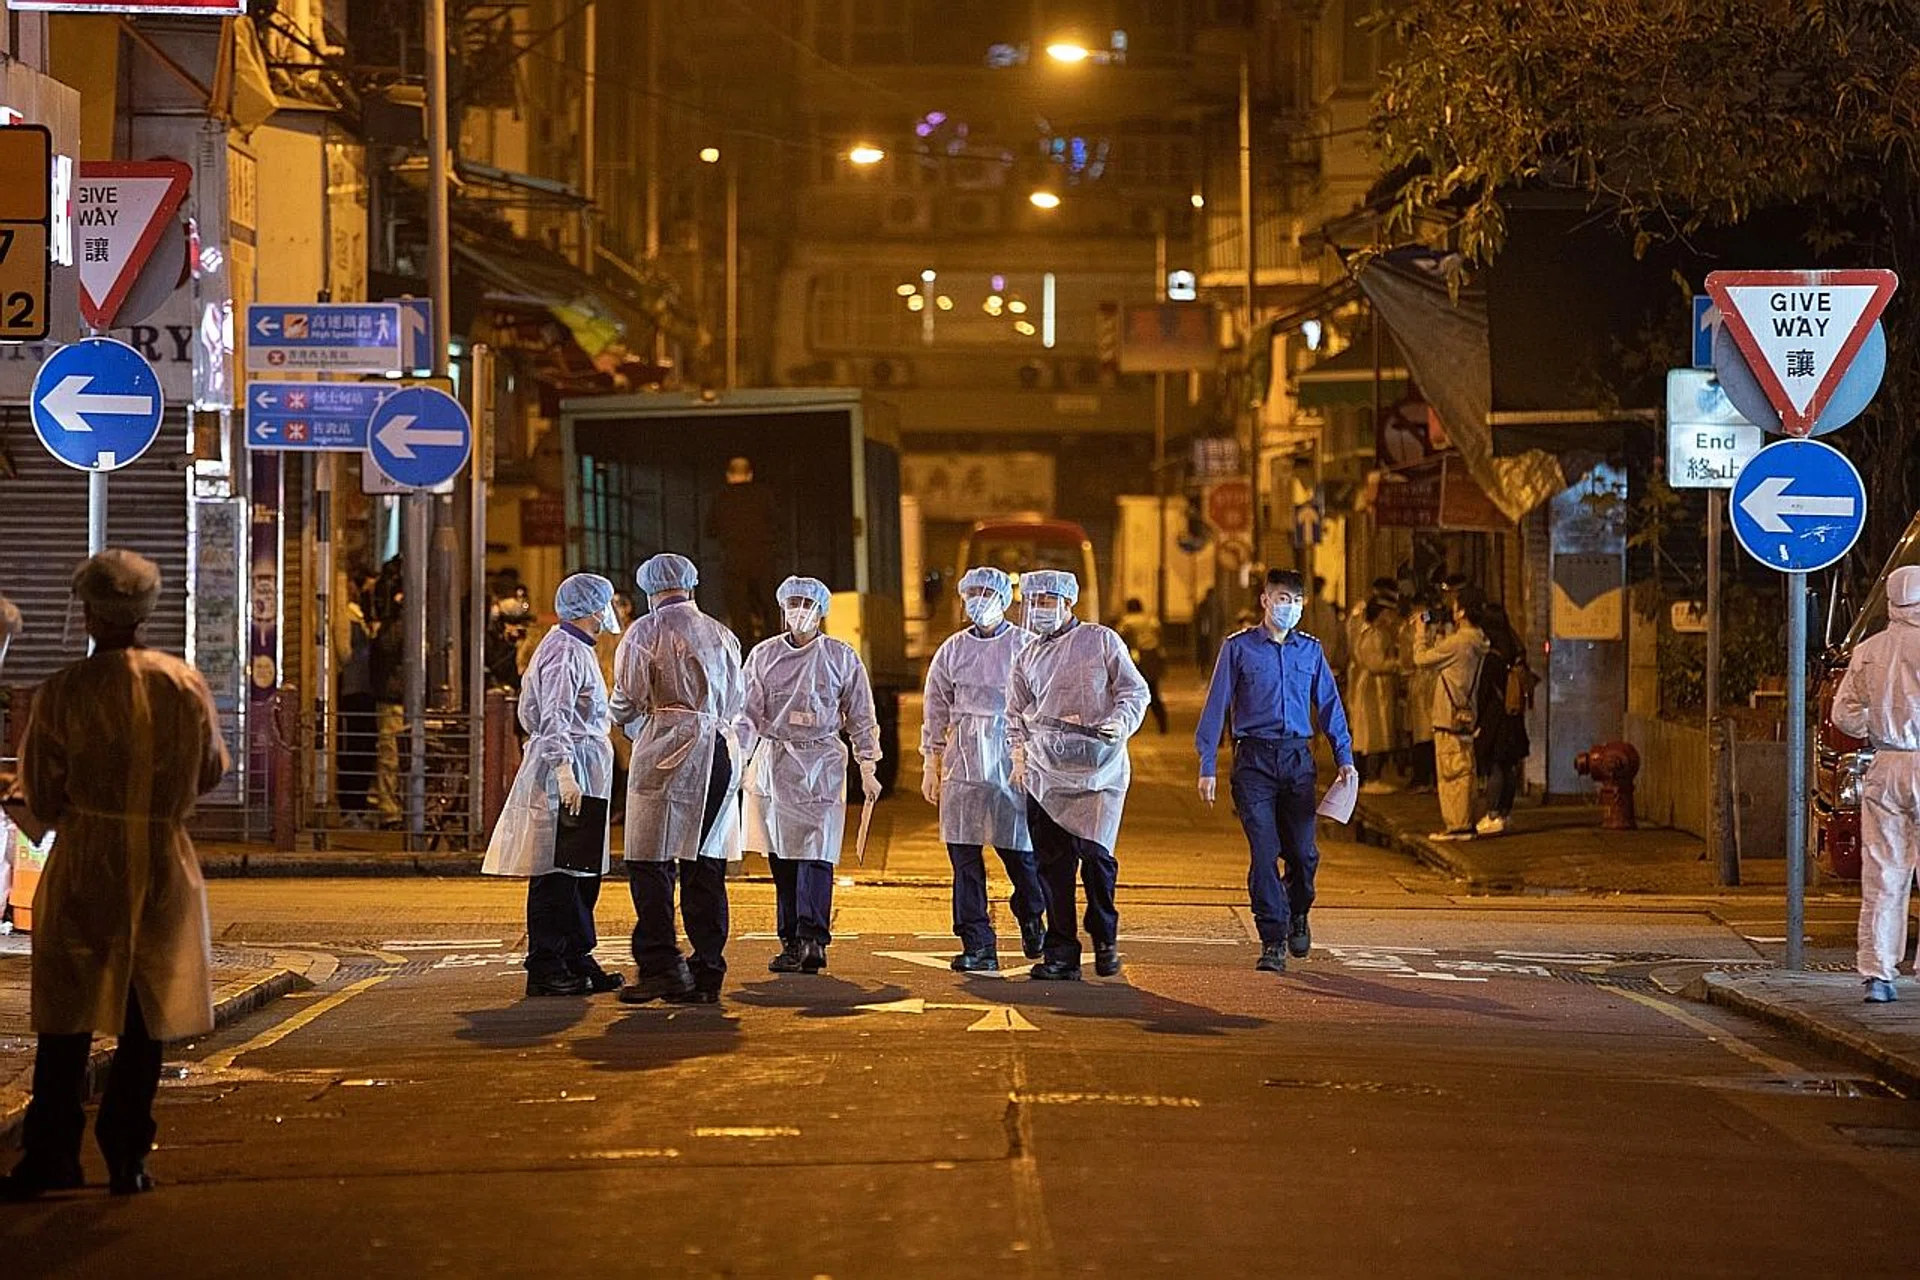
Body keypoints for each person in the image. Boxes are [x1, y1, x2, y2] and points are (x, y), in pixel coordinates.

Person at [2, 551, 228, 1200]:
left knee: (66, 1014)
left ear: (91, 612)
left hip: (85, 858)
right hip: (162, 859)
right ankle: (129, 1156)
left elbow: (39, 790)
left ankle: (52, 1155)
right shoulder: (182, 683)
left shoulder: (66, 690)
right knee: (144, 1014)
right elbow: (211, 770)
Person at [1195, 569, 1357, 974]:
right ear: (1265, 601)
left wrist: (1345, 757)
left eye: (1297, 601)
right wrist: (1207, 764)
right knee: (1264, 851)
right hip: (1253, 762)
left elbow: (1330, 706)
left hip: (1296, 759)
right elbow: (1217, 706)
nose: (1290, 607)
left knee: (1304, 854)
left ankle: (1296, 910)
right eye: (1283, 598)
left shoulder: (1311, 651)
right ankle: (1271, 939)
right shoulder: (1238, 648)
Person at [481, 574, 626, 998]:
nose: (607, 615)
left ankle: (575, 955)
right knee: (559, 873)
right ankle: (547, 963)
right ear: (590, 608)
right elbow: (554, 716)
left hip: (583, 766)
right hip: (569, 771)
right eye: (603, 606)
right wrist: (565, 771)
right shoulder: (564, 651)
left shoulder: (572, 648)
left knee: (580, 872)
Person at [612, 553, 747, 1004]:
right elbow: (738, 700)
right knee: (704, 861)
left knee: (648, 859)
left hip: (664, 747)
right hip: (717, 748)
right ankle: (707, 968)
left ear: (650, 589)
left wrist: (646, 730)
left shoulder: (644, 633)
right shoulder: (721, 634)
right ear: (691, 585)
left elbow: (625, 701)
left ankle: (660, 964)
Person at [1007, 569, 1150, 981]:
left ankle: (1105, 937)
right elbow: (1014, 712)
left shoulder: (1100, 640)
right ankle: (1061, 954)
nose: (1040, 610)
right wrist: (1019, 755)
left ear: (1069, 602)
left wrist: (1120, 723)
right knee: (1052, 867)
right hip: (1046, 773)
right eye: (1034, 602)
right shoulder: (1027, 655)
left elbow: (1133, 691)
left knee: (1097, 860)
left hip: (1098, 771)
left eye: (1048, 601)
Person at [740, 575, 882, 974]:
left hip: (821, 763)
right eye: (793, 602)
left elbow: (861, 714)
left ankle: (813, 937)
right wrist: (738, 757)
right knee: (783, 855)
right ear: (782, 609)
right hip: (777, 762)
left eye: (808, 603)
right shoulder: (764, 657)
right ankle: (790, 940)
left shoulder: (841, 657)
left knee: (818, 851)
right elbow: (747, 715)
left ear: (821, 610)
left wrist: (867, 764)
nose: (800, 611)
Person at [922, 567, 1046, 972]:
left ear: (1003, 598)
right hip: (963, 760)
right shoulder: (952, 650)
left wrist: (1032, 756)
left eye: (986, 591)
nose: (978, 599)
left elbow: (1040, 702)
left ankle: (1031, 913)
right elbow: (936, 706)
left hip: (1011, 754)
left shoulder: (1025, 646)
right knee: (964, 855)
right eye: (971, 592)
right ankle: (977, 942)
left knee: (1019, 852)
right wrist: (931, 758)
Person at [1832, 565, 1920, 1004]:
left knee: (1884, 871)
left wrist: (1879, 725)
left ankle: (1879, 975)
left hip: (1885, 763)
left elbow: (1843, 715)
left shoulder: (1869, 650)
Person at [1414, 587, 1489, 841]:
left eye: (1456, 606)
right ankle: (1465, 821)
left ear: (1463, 611)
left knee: (1451, 773)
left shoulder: (1459, 642)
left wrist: (1419, 633)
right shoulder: (1478, 639)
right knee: (1464, 769)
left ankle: (1457, 826)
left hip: (1449, 715)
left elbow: (1421, 659)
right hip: (1467, 713)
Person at [707, 456, 781, 650]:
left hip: (734, 562)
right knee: (769, 608)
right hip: (763, 560)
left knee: (739, 613)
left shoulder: (721, 498)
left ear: (728, 476)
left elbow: (710, 530)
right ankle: (774, 652)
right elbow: (777, 525)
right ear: (750, 474)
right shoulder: (764, 495)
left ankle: (745, 657)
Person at [1473, 601, 1534, 835]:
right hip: (1513, 716)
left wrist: (1478, 722)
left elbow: (1483, 692)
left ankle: (1493, 813)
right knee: (1509, 766)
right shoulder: (1516, 651)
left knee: (1496, 766)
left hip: (1495, 718)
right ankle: (1506, 813)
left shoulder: (1492, 657)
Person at [333, 563, 379, 827]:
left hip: (364, 691)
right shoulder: (346, 617)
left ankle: (358, 807)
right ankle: (350, 807)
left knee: (365, 751)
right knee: (353, 748)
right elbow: (345, 654)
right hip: (352, 692)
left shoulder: (360, 616)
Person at [1351, 598, 1402, 793]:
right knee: (1374, 733)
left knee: (1374, 732)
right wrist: (1396, 664)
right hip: (1374, 686)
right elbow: (1376, 663)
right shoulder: (1374, 635)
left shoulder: (1372, 633)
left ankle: (1370, 777)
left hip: (1373, 685)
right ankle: (1371, 778)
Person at [1116, 596, 1169, 735]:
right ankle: (1163, 724)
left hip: (1137, 658)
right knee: (1154, 692)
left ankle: (1135, 726)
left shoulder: (1126, 621)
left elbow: (1120, 638)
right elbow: (1160, 637)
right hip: (1153, 656)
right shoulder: (1151, 620)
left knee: (1134, 692)